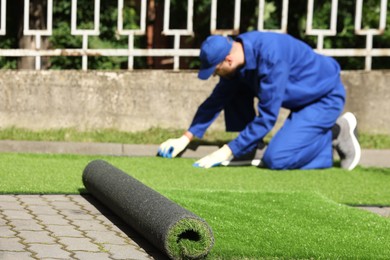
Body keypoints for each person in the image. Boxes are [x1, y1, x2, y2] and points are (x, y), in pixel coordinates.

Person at [157, 31, 361, 170]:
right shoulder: (239, 52)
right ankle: (246, 148)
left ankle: (335, 134)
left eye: (216, 71)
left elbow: (267, 118)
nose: (214, 75)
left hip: (323, 98)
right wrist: (186, 138)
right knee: (232, 87)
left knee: (277, 159)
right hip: (301, 99)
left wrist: (227, 151)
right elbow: (216, 100)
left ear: (228, 60)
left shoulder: (271, 58)